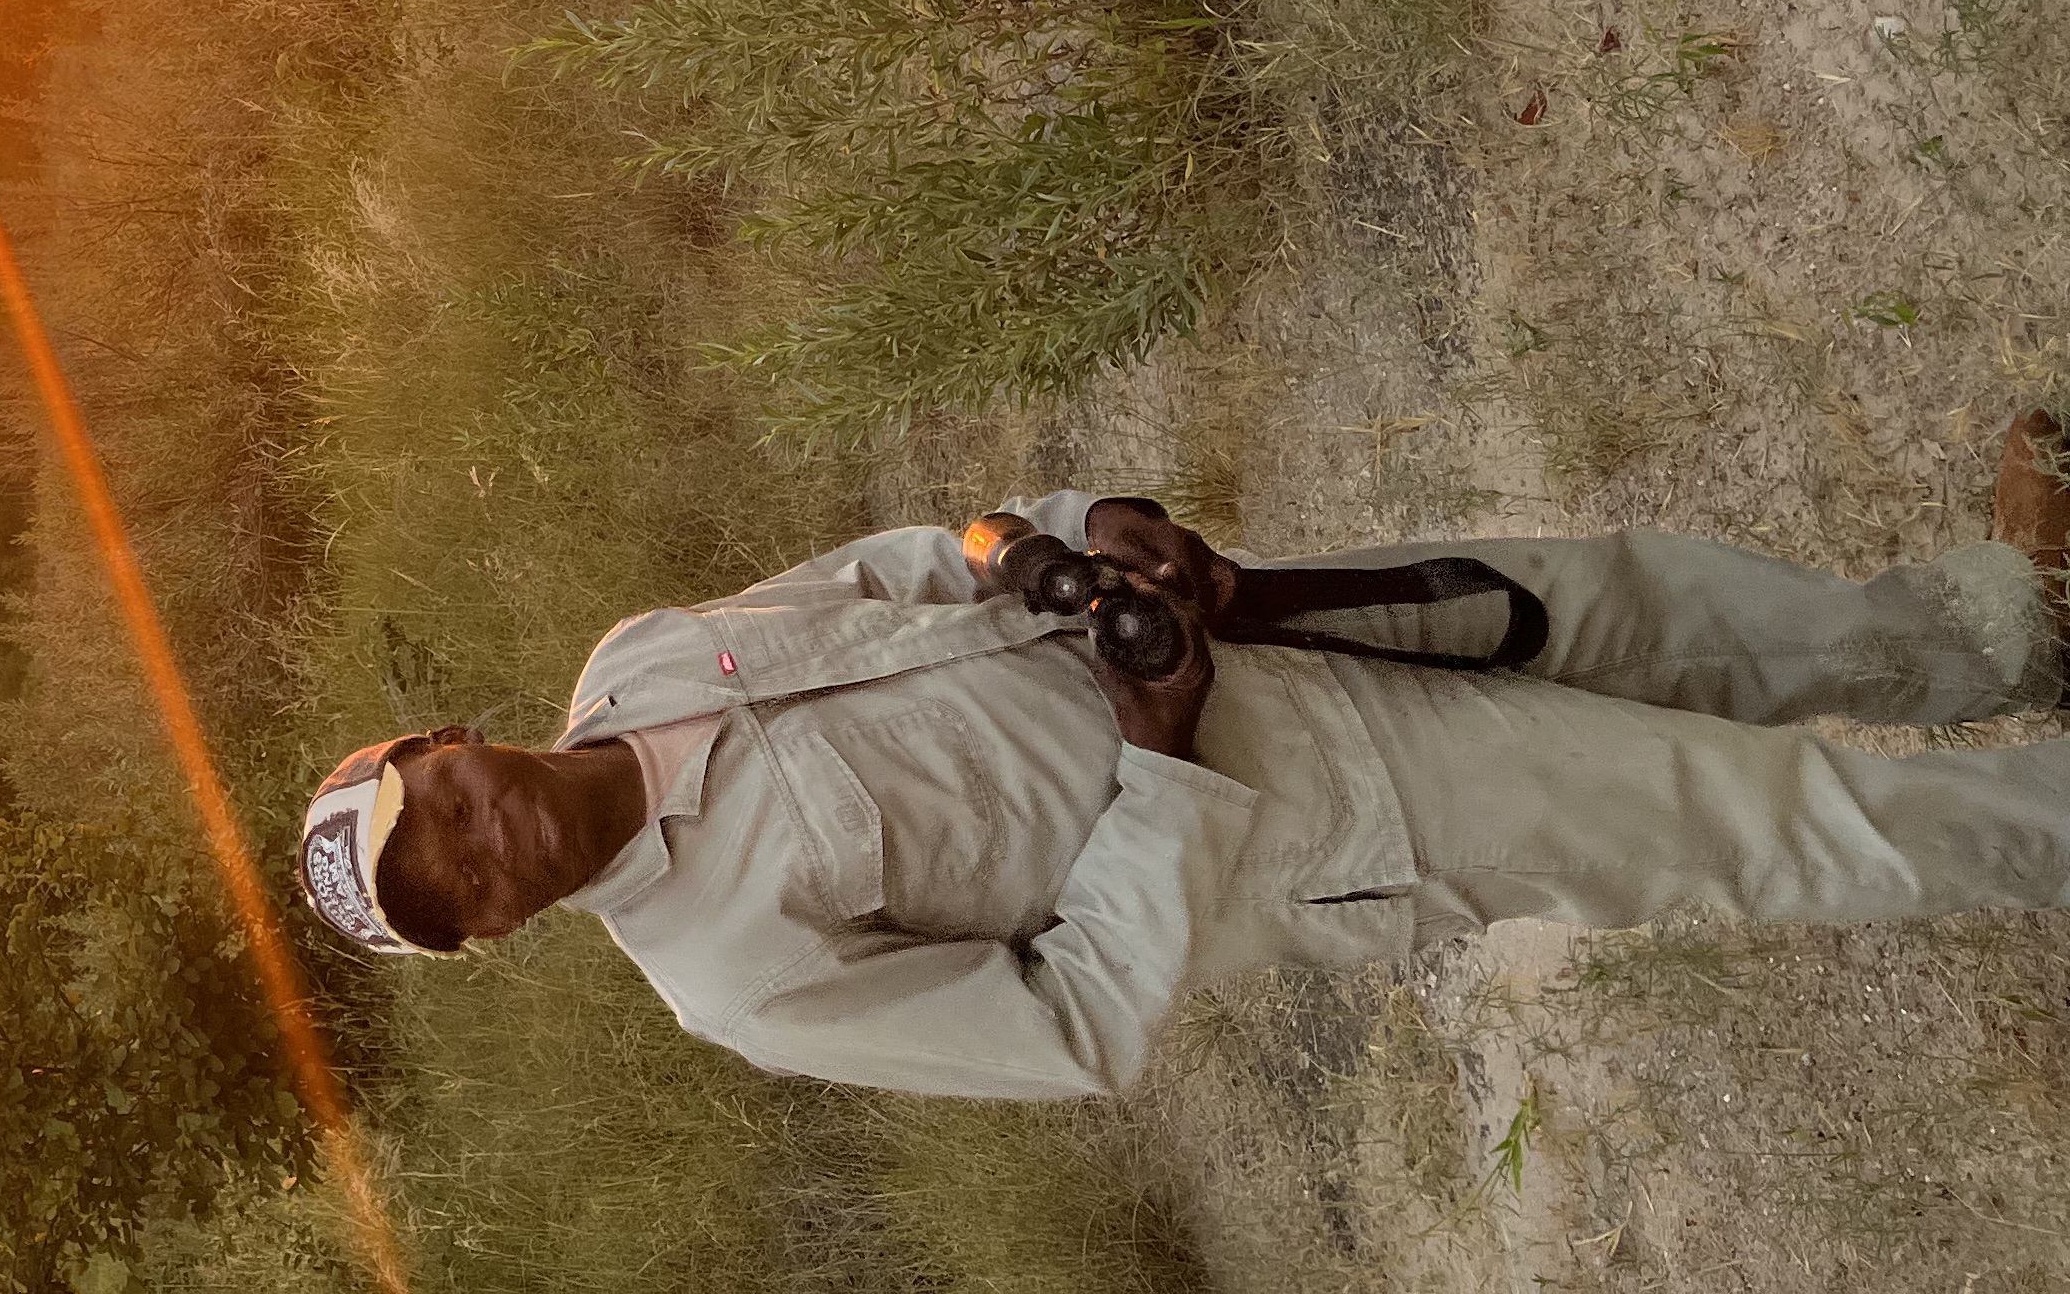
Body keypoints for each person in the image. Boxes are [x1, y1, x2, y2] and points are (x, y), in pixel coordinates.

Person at [294, 419, 2070, 1100]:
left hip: (1253, 627)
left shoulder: (637, 660)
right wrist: (1156, 759)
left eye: (433, 809)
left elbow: (913, 569)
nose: (479, 844)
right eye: (451, 895)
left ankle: (2004, 627)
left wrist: (1072, 531)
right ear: (499, 933)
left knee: (1647, 610)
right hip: (1323, 818)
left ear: (444, 743)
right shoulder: (731, 980)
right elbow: (1069, 1028)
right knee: (1772, 820)